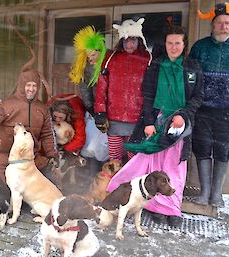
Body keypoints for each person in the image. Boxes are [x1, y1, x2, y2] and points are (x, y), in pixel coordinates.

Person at [107, 25, 203, 227]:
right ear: (165, 44)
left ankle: (172, 208)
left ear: (184, 45)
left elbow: (198, 96)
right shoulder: (156, 66)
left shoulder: (192, 67)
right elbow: (148, 96)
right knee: (155, 166)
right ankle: (157, 206)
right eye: (170, 43)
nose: (174, 47)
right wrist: (149, 122)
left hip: (180, 125)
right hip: (158, 121)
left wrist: (184, 116)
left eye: (178, 43)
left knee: (176, 167)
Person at [0, 56, 58, 190]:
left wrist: (52, 155)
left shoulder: (42, 109)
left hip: (31, 159)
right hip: (6, 157)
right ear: (21, 85)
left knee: (44, 189)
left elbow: (48, 134)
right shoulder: (5, 104)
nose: (31, 89)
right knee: (9, 194)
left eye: (34, 85)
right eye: (28, 85)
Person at [94, 18, 151, 162]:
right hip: (114, 119)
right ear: (121, 41)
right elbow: (102, 86)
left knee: (135, 159)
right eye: (126, 40)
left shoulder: (147, 59)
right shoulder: (110, 58)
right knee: (114, 159)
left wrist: (150, 116)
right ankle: (115, 184)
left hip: (138, 119)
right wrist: (100, 112)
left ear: (139, 40)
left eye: (133, 40)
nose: (129, 44)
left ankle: (132, 184)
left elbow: (152, 90)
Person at [190, 2, 229, 207]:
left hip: (227, 110)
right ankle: (204, 193)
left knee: (223, 150)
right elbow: (189, 75)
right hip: (202, 107)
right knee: (202, 148)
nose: (224, 26)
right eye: (220, 23)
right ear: (212, 26)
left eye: (227, 23)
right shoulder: (200, 47)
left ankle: (216, 195)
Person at [69, 25, 107, 116]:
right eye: (88, 56)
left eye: (93, 55)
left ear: (100, 53)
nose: (90, 58)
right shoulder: (86, 68)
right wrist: (90, 109)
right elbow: (85, 89)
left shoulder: (110, 64)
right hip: (96, 110)